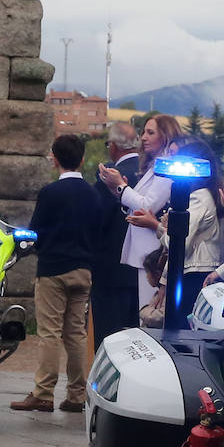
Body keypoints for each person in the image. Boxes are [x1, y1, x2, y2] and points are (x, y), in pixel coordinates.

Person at [11, 135, 102, 413]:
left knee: (49, 332)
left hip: (53, 269)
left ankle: (43, 392)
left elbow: (36, 231)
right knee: (75, 333)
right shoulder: (93, 194)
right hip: (83, 269)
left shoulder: (50, 193)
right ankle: (76, 394)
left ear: (54, 158)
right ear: (82, 159)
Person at [126, 139, 224, 323]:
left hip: (193, 275)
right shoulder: (206, 194)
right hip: (197, 272)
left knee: (179, 329)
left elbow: (178, 243)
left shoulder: (198, 197)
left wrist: (159, 228)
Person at [98, 114, 178, 309]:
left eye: (150, 133)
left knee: (150, 312)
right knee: (144, 311)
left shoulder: (168, 166)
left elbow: (148, 206)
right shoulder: (155, 166)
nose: (143, 137)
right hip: (145, 249)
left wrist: (121, 187)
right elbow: (138, 203)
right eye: (143, 132)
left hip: (153, 250)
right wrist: (119, 191)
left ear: (165, 136)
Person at [90, 121, 142, 347]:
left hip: (110, 268)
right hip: (142, 270)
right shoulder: (149, 172)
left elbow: (96, 220)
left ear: (113, 146)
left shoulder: (110, 177)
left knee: (109, 337)